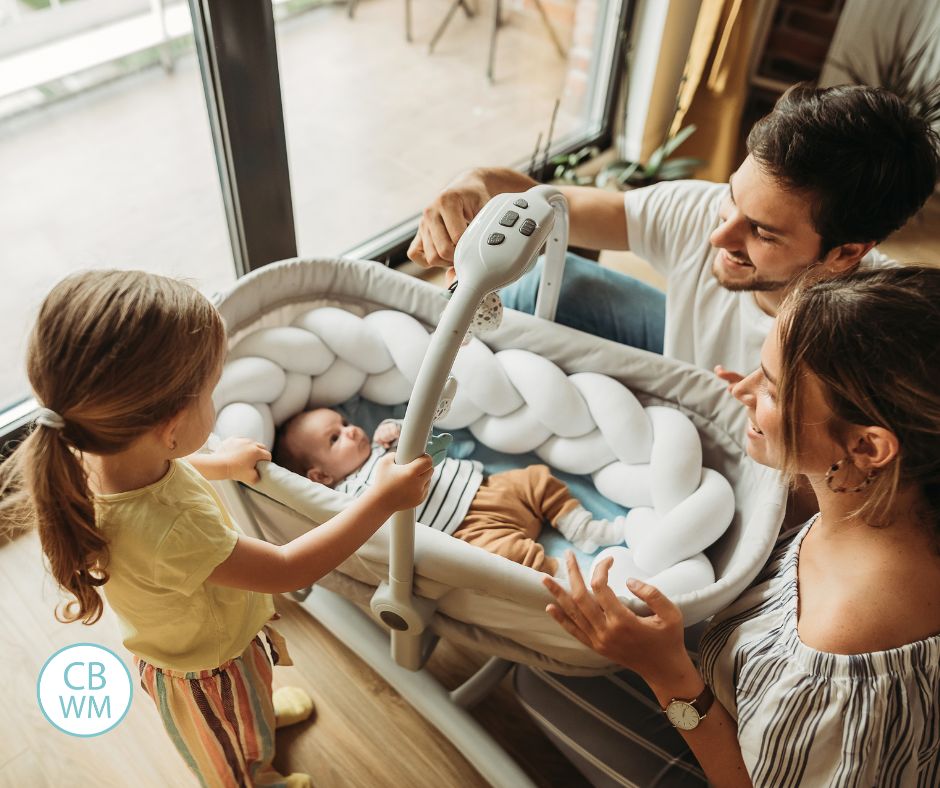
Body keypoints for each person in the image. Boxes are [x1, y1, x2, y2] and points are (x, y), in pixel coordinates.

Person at [0, 270, 433, 788]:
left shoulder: (94, 450)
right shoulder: (173, 531)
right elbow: (286, 569)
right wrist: (382, 501)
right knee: (222, 750)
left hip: (206, 642)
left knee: (248, 715)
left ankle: (257, 730)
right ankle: (252, 776)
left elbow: (167, 474)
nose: (216, 401)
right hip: (208, 670)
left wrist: (218, 464)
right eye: (211, 392)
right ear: (171, 429)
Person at [539, 266, 940, 786]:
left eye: (772, 389)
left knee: (546, 675)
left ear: (868, 447)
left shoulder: (837, 646)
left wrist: (667, 673)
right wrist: (777, 428)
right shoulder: (901, 502)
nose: (741, 390)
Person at [408, 84, 939, 383]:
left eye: (762, 232)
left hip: (744, 423)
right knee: (543, 282)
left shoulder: (875, 339)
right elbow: (552, 206)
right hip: (678, 356)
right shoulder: (703, 211)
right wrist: (473, 184)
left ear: (846, 253)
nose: (719, 234)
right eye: (734, 194)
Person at [276, 408, 627, 576]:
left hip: (488, 487)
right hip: (466, 530)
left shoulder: (387, 447)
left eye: (346, 423)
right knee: (506, 557)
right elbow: (368, 524)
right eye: (334, 438)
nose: (351, 431)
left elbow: (434, 445)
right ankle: (563, 576)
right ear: (320, 475)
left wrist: (400, 432)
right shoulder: (349, 494)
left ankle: (582, 529)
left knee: (537, 479)